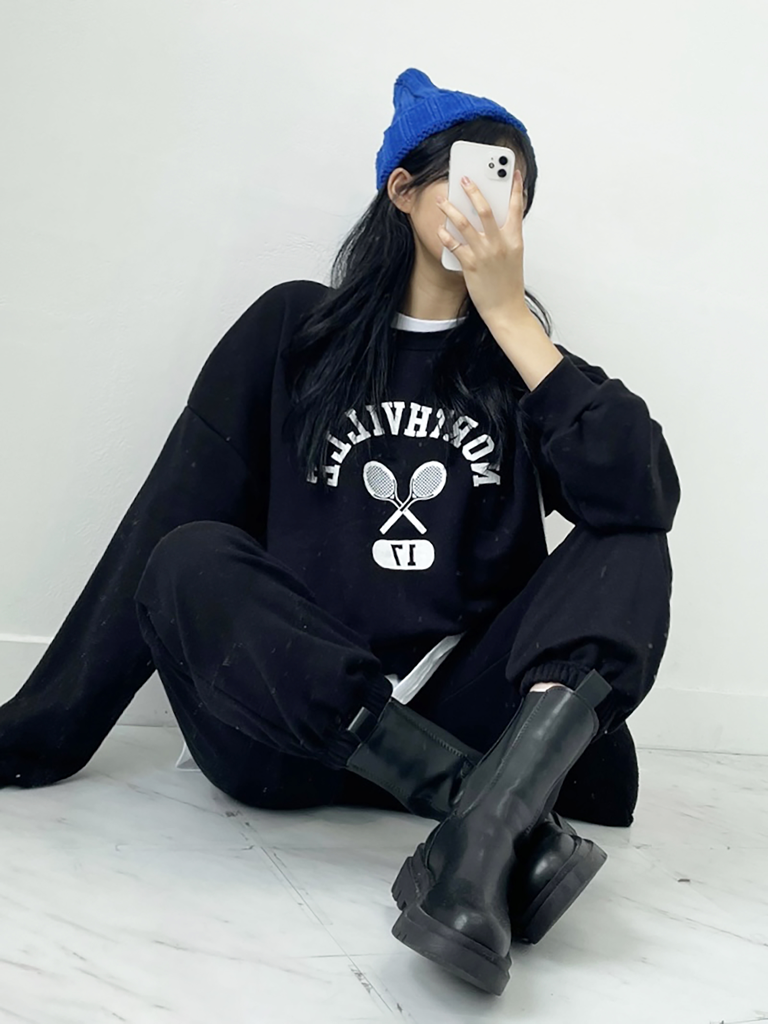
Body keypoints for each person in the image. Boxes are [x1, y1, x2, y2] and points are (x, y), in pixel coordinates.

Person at [0, 68, 679, 996]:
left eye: (516, 192)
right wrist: (35, 734)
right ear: (403, 189)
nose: (499, 207)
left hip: (467, 712)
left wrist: (511, 319)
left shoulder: (524, 369)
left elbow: (644, 496)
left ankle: (482, 826)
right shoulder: (296, 331)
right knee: (188, 555)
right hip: (294, 727)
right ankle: (480, 810)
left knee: (631, 529)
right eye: (479, 178)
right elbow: (165, 518)